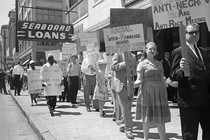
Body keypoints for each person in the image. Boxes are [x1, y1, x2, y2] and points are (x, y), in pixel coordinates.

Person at [170, 23, 210, 140]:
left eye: (196, 32)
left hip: (206, 101)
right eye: (190, 32)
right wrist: (181, 70)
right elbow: (172, 75)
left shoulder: (204, 52)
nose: (194, 34)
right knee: (190, 134)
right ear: (184, 34)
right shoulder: (179, 52)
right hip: (189, 101)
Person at [134, 42, 171, 140]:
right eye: (150, 49)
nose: (152, 50)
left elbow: (162, 79)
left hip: (158, 92)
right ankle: (145, 138)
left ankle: (163, 138)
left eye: (154, 49)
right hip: (147, 93)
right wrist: (131, 85)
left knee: (160, 119)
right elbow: (139, 80)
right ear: (145, 50)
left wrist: (165, 91)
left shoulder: (159, 63)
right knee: (146, 118)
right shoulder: (141, 64)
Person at [111, 52, 137, 139]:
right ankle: (128, 129)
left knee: (129, 106)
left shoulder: (132, 55)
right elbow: (113, 67)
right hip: (121, 84)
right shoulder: (117, 54)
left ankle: (123, 123)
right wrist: (123, 64)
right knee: (125, 106)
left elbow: (135, 68)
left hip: (130, 84)